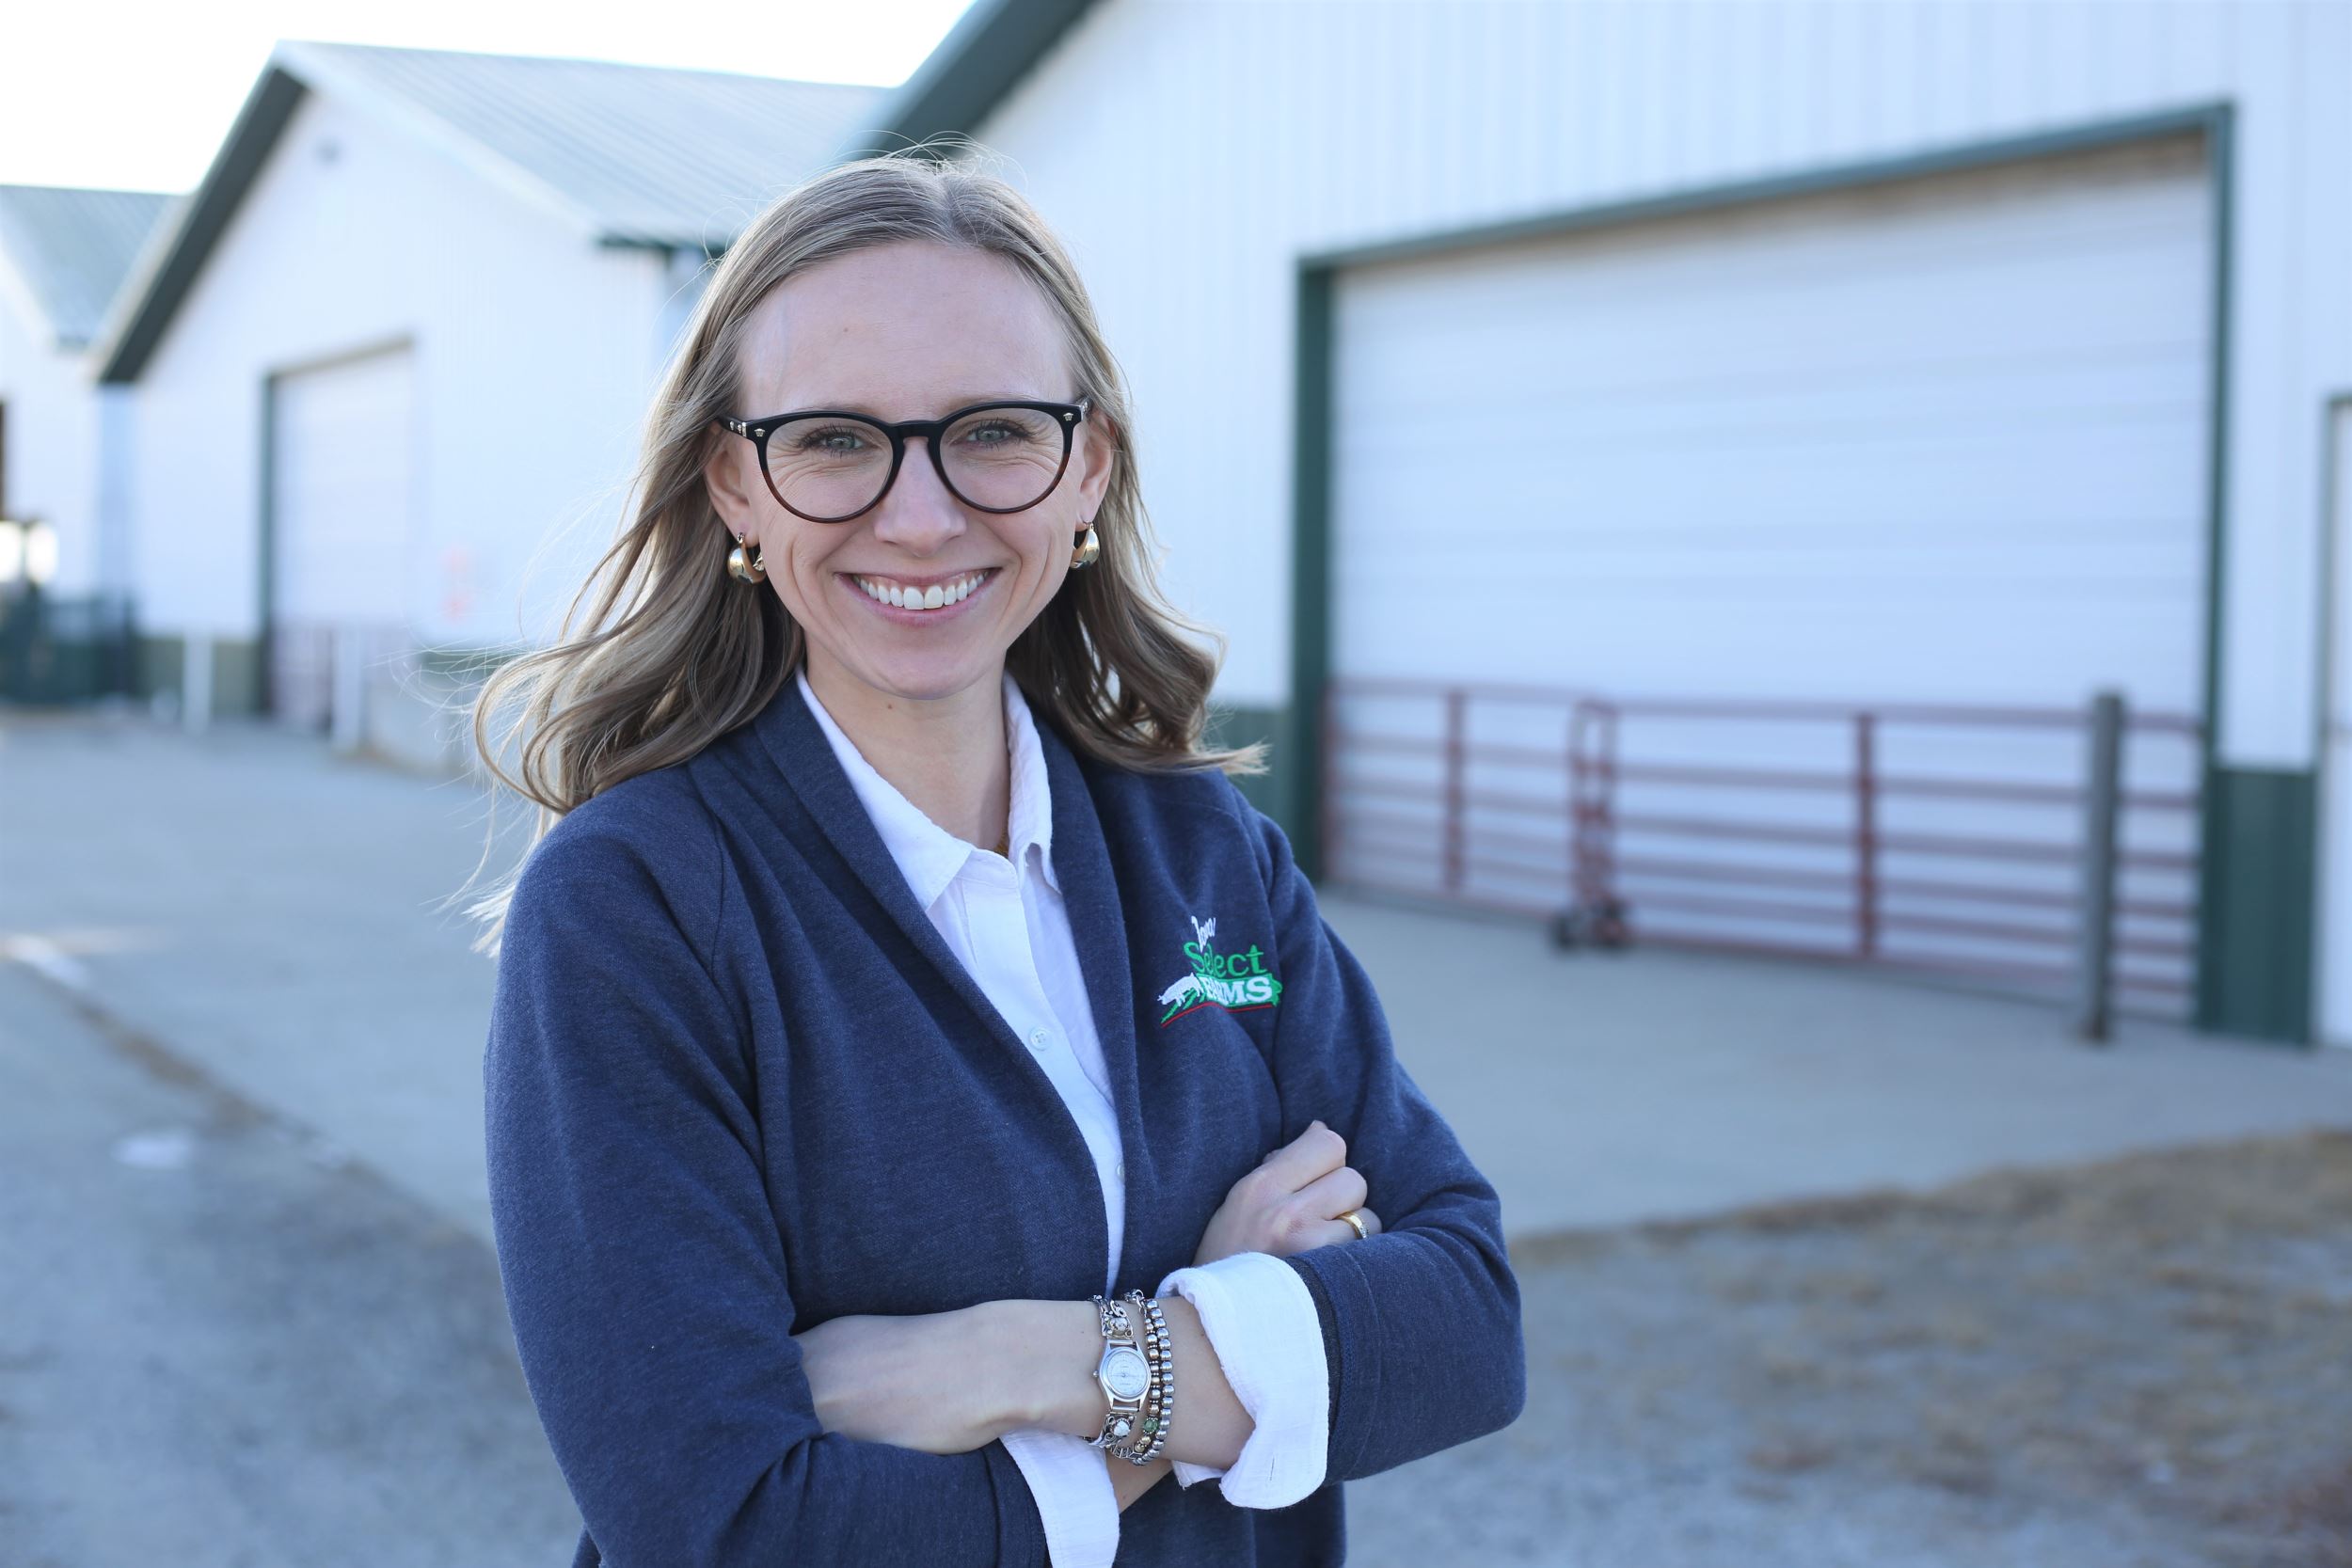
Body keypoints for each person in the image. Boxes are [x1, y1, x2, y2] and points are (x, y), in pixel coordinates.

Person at [468, 149, 1524, 1567]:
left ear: (1084, 466)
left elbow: (1463, 1326)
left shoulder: (1206, 855)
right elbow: (724, 1522)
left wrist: (1027, 1361)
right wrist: (1226, 1357)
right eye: (835, 438)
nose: (919, 514)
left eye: (995, 431)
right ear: (735, 485)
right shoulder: (639, 904)